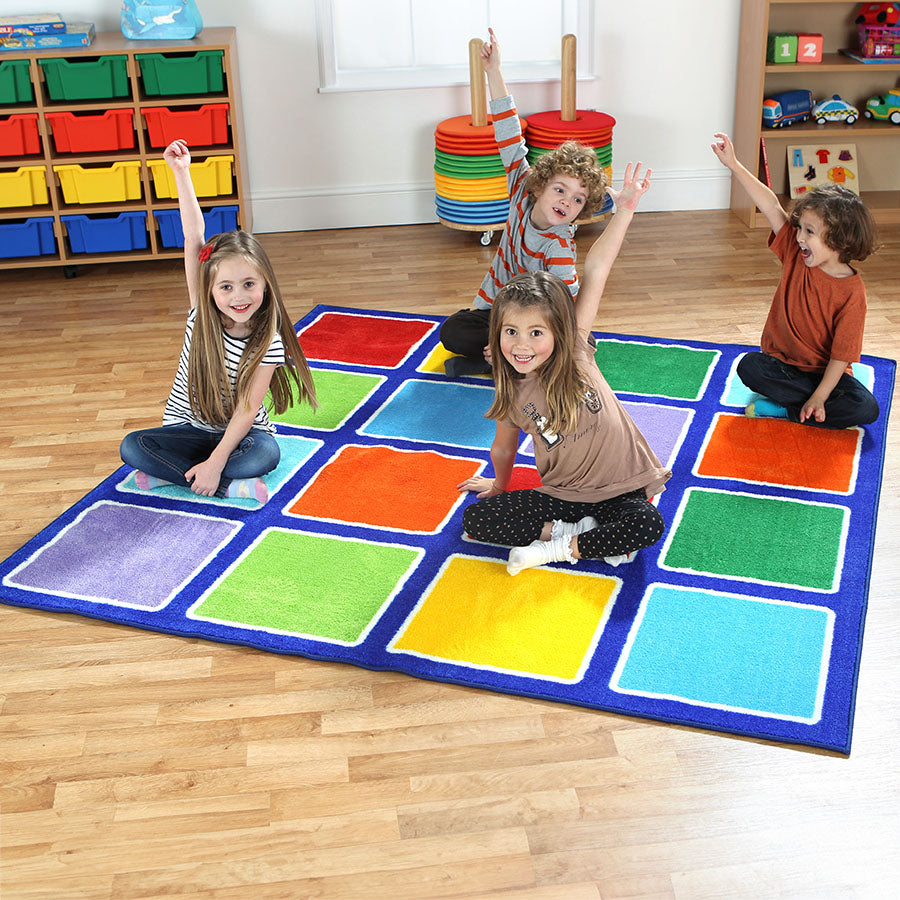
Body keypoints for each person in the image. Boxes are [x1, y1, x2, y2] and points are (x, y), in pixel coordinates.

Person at [457, 162, 670, 575]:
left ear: (558, 330)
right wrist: (499, 486)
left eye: (536, 333)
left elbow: (597, 269)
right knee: (476, 520)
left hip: (621, 488)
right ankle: (581, 533)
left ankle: (554, 547)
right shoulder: (509, 389)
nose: (522, 345)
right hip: (564, 495)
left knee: (647, 523)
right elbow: (503, 447)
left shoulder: (574, 349)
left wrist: (625, 207)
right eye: (511, 332)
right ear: (495, 332)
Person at [120, 139, 317, 503]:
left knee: (267, 455)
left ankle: (182, 474)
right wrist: (182, 173)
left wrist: (219, 457)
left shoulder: (268, 341)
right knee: (133, 446)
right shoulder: (200, 314)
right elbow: (193, 237)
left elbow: (245, 411)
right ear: (210, 289)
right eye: (226, 287)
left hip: (242, 436)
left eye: (248, 284)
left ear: (265, 284)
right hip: (188, 428)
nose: (238, 297)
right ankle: (225, 485)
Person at [441, 28, 608, 377]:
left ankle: (507, 362)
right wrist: (493, 72)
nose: (566, 202)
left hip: (537, 322)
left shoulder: (559, 246)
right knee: (452, 332)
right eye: (560, 190)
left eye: (578, 199)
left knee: (558, 348)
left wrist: (527, 340)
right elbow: (508, 132)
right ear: (539, 186)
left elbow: (565, 306)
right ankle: (501, 360)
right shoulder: (521, 185)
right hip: (500, 310)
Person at [711, 132, 879, 429]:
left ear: (839, 240)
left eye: (809, 232)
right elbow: (772, 206)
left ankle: (787, 410)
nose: (799, 236)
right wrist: (734, 165)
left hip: (826, 374)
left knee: (866, 409)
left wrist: (820, 395)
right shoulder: (795, 252)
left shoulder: (853, 293)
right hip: (782, 365)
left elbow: (842, 357)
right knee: (749, 367)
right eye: (799, 227)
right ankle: (808, 407)